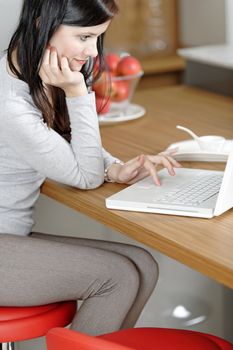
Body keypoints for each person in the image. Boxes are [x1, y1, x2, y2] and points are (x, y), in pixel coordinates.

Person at [0, 0, 181, 336]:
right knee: (118, 277)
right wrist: (77, 91)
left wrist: (114, 168)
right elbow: (84, 177)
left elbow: (64, 142)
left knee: (142, 266)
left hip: (9, 237)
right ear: (42, 24)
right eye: (84, 37)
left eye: (98, 38)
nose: (94, 52)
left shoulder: (27, 71)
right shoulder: (10, 104)